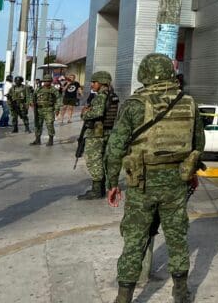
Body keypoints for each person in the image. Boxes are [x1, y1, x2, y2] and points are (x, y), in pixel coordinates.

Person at [105, 53, 204, 303]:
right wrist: (191, 173)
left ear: (145, 74)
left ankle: (124, 296)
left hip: (142, 184)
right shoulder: (188, 102)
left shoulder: (134, 104)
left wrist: (112, 184)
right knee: (177, 236)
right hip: (176, 183)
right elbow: (198, 143)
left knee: (135, 238)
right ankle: (181, 292)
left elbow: (114, 148)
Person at [77, 70, 113, 200]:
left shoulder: (101, 97)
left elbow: (97, 113)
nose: (92, 84)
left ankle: (97, 190)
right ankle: (101, 188)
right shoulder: (111, 95)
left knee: (94, 161)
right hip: (105, 132)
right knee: (102, 160)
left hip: (96, 134)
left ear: (102, 82)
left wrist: (84, 113)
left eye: (94, 82)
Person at [31, 74, 61, 146]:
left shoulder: (53, 90)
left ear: (51, 81)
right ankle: (37, 139)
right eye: (45, 81)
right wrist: (31, 102)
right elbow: (33, 96)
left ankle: (51, 140)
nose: (47, 83)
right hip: (39, 109)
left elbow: (58, 99)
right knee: (38, 124)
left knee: (50, 124)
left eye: (48, 81)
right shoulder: (39, 89)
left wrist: (57, 109)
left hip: (49, 109)